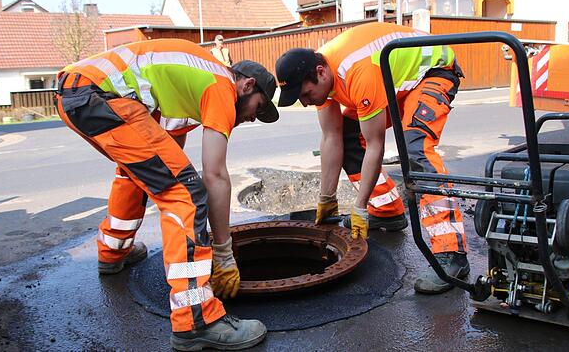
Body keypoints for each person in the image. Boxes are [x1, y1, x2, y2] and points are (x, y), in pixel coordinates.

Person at [55, 38, 277, 350]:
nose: (253, 117)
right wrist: (223, 252)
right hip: (97, 95)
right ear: (246, 85)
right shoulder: (221, 85)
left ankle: (113, 251)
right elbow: (214, 176)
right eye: (259, 107)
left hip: (76, 91)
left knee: (141, 175)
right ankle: (196, 319)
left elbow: (167, 158)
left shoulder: (189, 84)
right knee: (186, 195)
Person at [274, 21, 468, 295]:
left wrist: (359, 208)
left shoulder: (357, 71)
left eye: (306, 94)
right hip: (396, 79)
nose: (306, 102)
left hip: (432, 72)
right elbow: (332, 138)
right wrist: (326, 199)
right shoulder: (321, 74)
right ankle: (387, 213)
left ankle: (452, 254)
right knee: (349, 137)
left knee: (415, 148)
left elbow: (376, 145)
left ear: (320, 72)